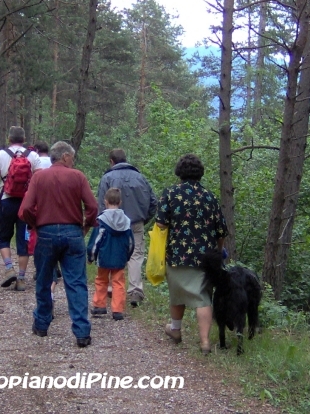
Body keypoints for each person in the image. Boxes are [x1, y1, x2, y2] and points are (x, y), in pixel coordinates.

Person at [19, 141, 98, 348]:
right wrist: (85, 227)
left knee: (44, 280)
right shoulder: (77, 176)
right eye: (72, 157)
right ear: (64, 157)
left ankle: (42, 325)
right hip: (73, 233)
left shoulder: (38, 177)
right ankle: (81, 332)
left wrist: (35, 224)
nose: (73, 161)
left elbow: (25, 208)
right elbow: (92, 206)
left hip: (45, 233)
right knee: (76, 282)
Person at [155, 153, 228, 354]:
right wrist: (219, 251)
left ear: (179, 171)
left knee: (177, 295)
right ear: (200, 173)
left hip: (177, 254)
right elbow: (222, 230)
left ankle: (176, 331)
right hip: (205, 257)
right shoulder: (210, 197)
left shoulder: (169, 194)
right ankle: (205, 342)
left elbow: (160, 223)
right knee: (202, 297)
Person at [96, 149, 157, 307]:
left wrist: (100, 221)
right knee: (136, 255)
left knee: (111, 251)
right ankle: (135, 290)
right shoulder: (140, 177)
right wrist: (144, 218)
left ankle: (110, 286)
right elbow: (153, 202)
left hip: (111, 223)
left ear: (111, 161)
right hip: (136, 222)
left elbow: (101, 203)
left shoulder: (107, 177)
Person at [0, 126, 42, 291]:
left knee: (3, 238)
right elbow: (40, 178)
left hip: (7, 201)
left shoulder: (1, 154)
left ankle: (8, 267)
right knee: (23, 240)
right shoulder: (33, 155)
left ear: (9, 139)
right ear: (24, 139)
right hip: (26, 204)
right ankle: (21, 278)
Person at [87, 188, 135, 321]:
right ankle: (117, 310)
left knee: (101, 280)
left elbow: (96, 241)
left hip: (104, 257)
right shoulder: (126, 221)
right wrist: (127, 256)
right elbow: (130, 242)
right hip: (120, 258)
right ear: (120, 202)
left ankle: (99, 306)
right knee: (118, 283)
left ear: (105, 201)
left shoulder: (101, 220)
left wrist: (91, 256)